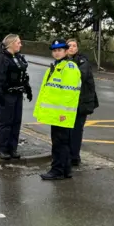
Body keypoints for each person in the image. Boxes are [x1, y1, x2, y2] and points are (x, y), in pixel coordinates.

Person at [34, 38, 81, 180]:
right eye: (54, 51)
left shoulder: (69, 68)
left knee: (60, 144)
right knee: (61, 143)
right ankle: (65, 170)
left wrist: (62, 113)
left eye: (60, 50)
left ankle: (57, 171)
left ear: (66, 51)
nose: (56, 53)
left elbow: (69, 93)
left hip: (62, 114)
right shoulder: (56, 67)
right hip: (56, 114)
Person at [0, 34, 32, 160]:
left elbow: (23, 76)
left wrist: (27, 89)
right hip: (6, 95)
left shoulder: (18, 57)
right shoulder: (1, 59)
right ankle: (2, 150)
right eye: (18, 42)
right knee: (5, 123)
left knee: (16, 122)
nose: (20, 44)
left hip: (18, 95)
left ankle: (12, 148)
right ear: (11, 44)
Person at [67, 38, 99, 166]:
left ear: (77, 48)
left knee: (76, 130)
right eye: (69, 46)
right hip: (70, 102)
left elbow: (79, 76)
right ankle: (68, 154)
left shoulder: (82, 61)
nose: (72, 48)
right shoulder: (64, 61)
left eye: (74, 46)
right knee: (68, 130)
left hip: (82, 102)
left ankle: (74, 157)